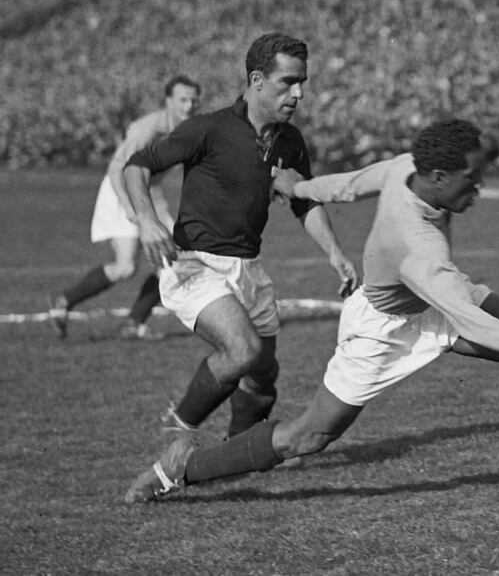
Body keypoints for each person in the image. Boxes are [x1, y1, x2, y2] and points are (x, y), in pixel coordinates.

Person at [124, 119, 499, 503]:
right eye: (472, 179)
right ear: (439, 178)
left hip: (441, 299)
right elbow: (468, 318)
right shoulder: (418, 247)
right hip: (384, 327)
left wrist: (300, 185)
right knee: (308, 437)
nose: (480, 187)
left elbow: (351, 185)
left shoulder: (409, 166)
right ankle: (181, 469)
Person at [121, 32, 359, 442]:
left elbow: (304, 201)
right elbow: (137, 165)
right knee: (242, 351)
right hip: (194, 265)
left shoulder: (289, 141)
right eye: (289, 82)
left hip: (248, 267)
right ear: (257, 81)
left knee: (263, 379)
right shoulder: (208, 129)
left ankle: (235, 458)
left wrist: (335, 253)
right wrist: (146, 219)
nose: (299, 94)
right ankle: (174, 435)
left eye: (302, 82)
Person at [48, 75, 202, 341]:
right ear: (168, 101)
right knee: (126, 267)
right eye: (182, 100)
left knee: (173, 259)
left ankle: (133, 323)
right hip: (121, 191)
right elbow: (117, 169)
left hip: (149, 193)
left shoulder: (190, 130)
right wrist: (133, 211)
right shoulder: (148, 129)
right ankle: (63, 301)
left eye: (193, 101)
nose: (188, 106)